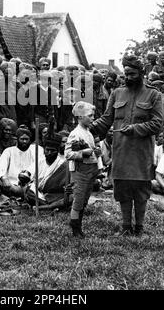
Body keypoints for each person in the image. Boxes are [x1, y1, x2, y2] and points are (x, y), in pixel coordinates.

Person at [90, 54, 163, 236]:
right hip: (121, 151)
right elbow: (107, 118)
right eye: (126, 74)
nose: (128, 77)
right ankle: (125, 227)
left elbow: (157, 124)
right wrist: (90, 127)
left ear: (141, 73)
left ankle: (139, 228)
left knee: (140, 191)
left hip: (141, 153)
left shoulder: (154, 94)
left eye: (132, 74)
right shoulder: (117, 93)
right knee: (122, 189)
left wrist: (136, 128)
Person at [65, 101, 101, 238]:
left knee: (85, 199)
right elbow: (68, 153)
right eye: (90, 116)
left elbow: (91, 150)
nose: (93, 118)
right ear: (80, 117)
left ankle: (79, 225)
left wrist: (95, 152)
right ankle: (75, 228)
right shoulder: (75, 134)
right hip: (80, 170)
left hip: (90, 169)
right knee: (78, 199)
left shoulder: (88, 133)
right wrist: (83, 154)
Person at [25, 134, 72, 210]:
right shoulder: (39, 162)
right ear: (44, 150)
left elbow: (69, 185)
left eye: (53, 150)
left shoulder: (63, 164)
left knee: (71, 197)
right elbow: (28, 174)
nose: (49, 153)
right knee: (28, 192)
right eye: (47, 150)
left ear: (57, 151)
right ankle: (52, 206)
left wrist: (69, 188)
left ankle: (46, 207)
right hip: (38, 195)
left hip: (55, 195)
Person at [0, 127, 44, 198]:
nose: (24, 141)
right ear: (17, 139)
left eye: (26, 139)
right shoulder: (9, 151)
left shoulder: (36, 150)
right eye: (22, 139)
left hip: (30, 184)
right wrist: (3, 178)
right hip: (11, 184)